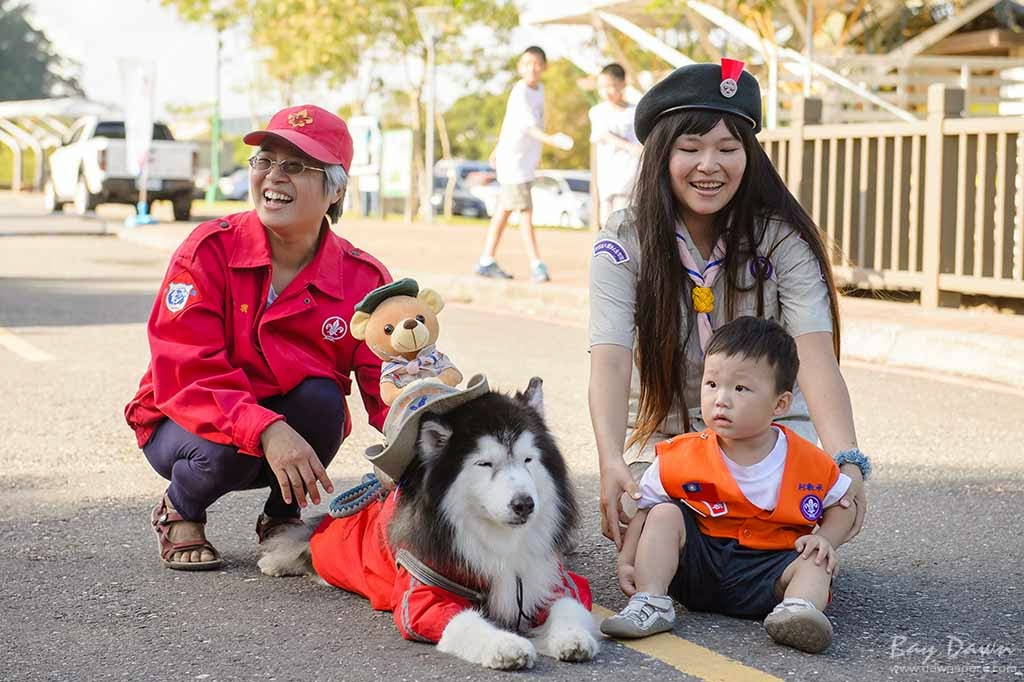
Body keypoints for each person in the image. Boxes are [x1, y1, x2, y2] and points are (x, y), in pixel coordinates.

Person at [587, 59, 872, 551]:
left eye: (727, 148)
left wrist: (847, 460)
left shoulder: (782, 238)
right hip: (667, 432)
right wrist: (611, 460)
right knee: (645, 518)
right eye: (690, 148)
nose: (709, 165)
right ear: (661, 156)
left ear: (750, 155)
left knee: (828, 508)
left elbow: (815, 356)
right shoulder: (624, 239)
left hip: (770, 435)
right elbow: (609, 359)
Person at [125, 104, 391, 570]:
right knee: (225, 452)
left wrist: (424, 445)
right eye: (265, 161)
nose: (273, 177)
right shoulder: (208, 250)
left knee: (324, 403)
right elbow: (187, 369)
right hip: (184, 421)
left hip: (278, 417)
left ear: (336, 189)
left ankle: (280, 515)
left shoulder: (362, 278)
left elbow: (385, 377)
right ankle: (180, 509)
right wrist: (265, 427)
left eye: (295, 166)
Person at [600, 317, 854, 653]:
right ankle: (651, 601)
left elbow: (843, 505)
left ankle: (798, 610)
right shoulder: (680, 455)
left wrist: (825, 540)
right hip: (698, 569)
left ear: (780, 404)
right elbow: (644, 511)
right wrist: (627, 560)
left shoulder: (810, 461)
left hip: (770, 573)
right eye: (711, 384)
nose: (722, 399)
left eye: (740, 389)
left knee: (816, 561)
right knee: (663, 513)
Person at [474, 45, 573, 283]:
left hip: (521, 162)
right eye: (527, 63)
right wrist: (552, 140)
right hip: (515, 164)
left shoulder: (539, 91)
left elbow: (511, 123)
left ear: (544, 67)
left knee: (504, 211)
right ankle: (536, 263)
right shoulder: (520, 92)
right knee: (526, 212)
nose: (533, 68)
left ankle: (486, 259)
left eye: (537, 63)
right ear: (520, 67)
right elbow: (526, 127)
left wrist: (497, 148)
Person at [588, 63, 642, 229]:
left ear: (623, 84)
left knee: (624, 223)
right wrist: (629, 146)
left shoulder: (635, 112)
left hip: (628, 177)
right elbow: (601, 136)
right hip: (607, 179)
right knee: (607, 225)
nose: (607, 91)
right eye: (602, 87)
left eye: (611, 86)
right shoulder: (597, 112)